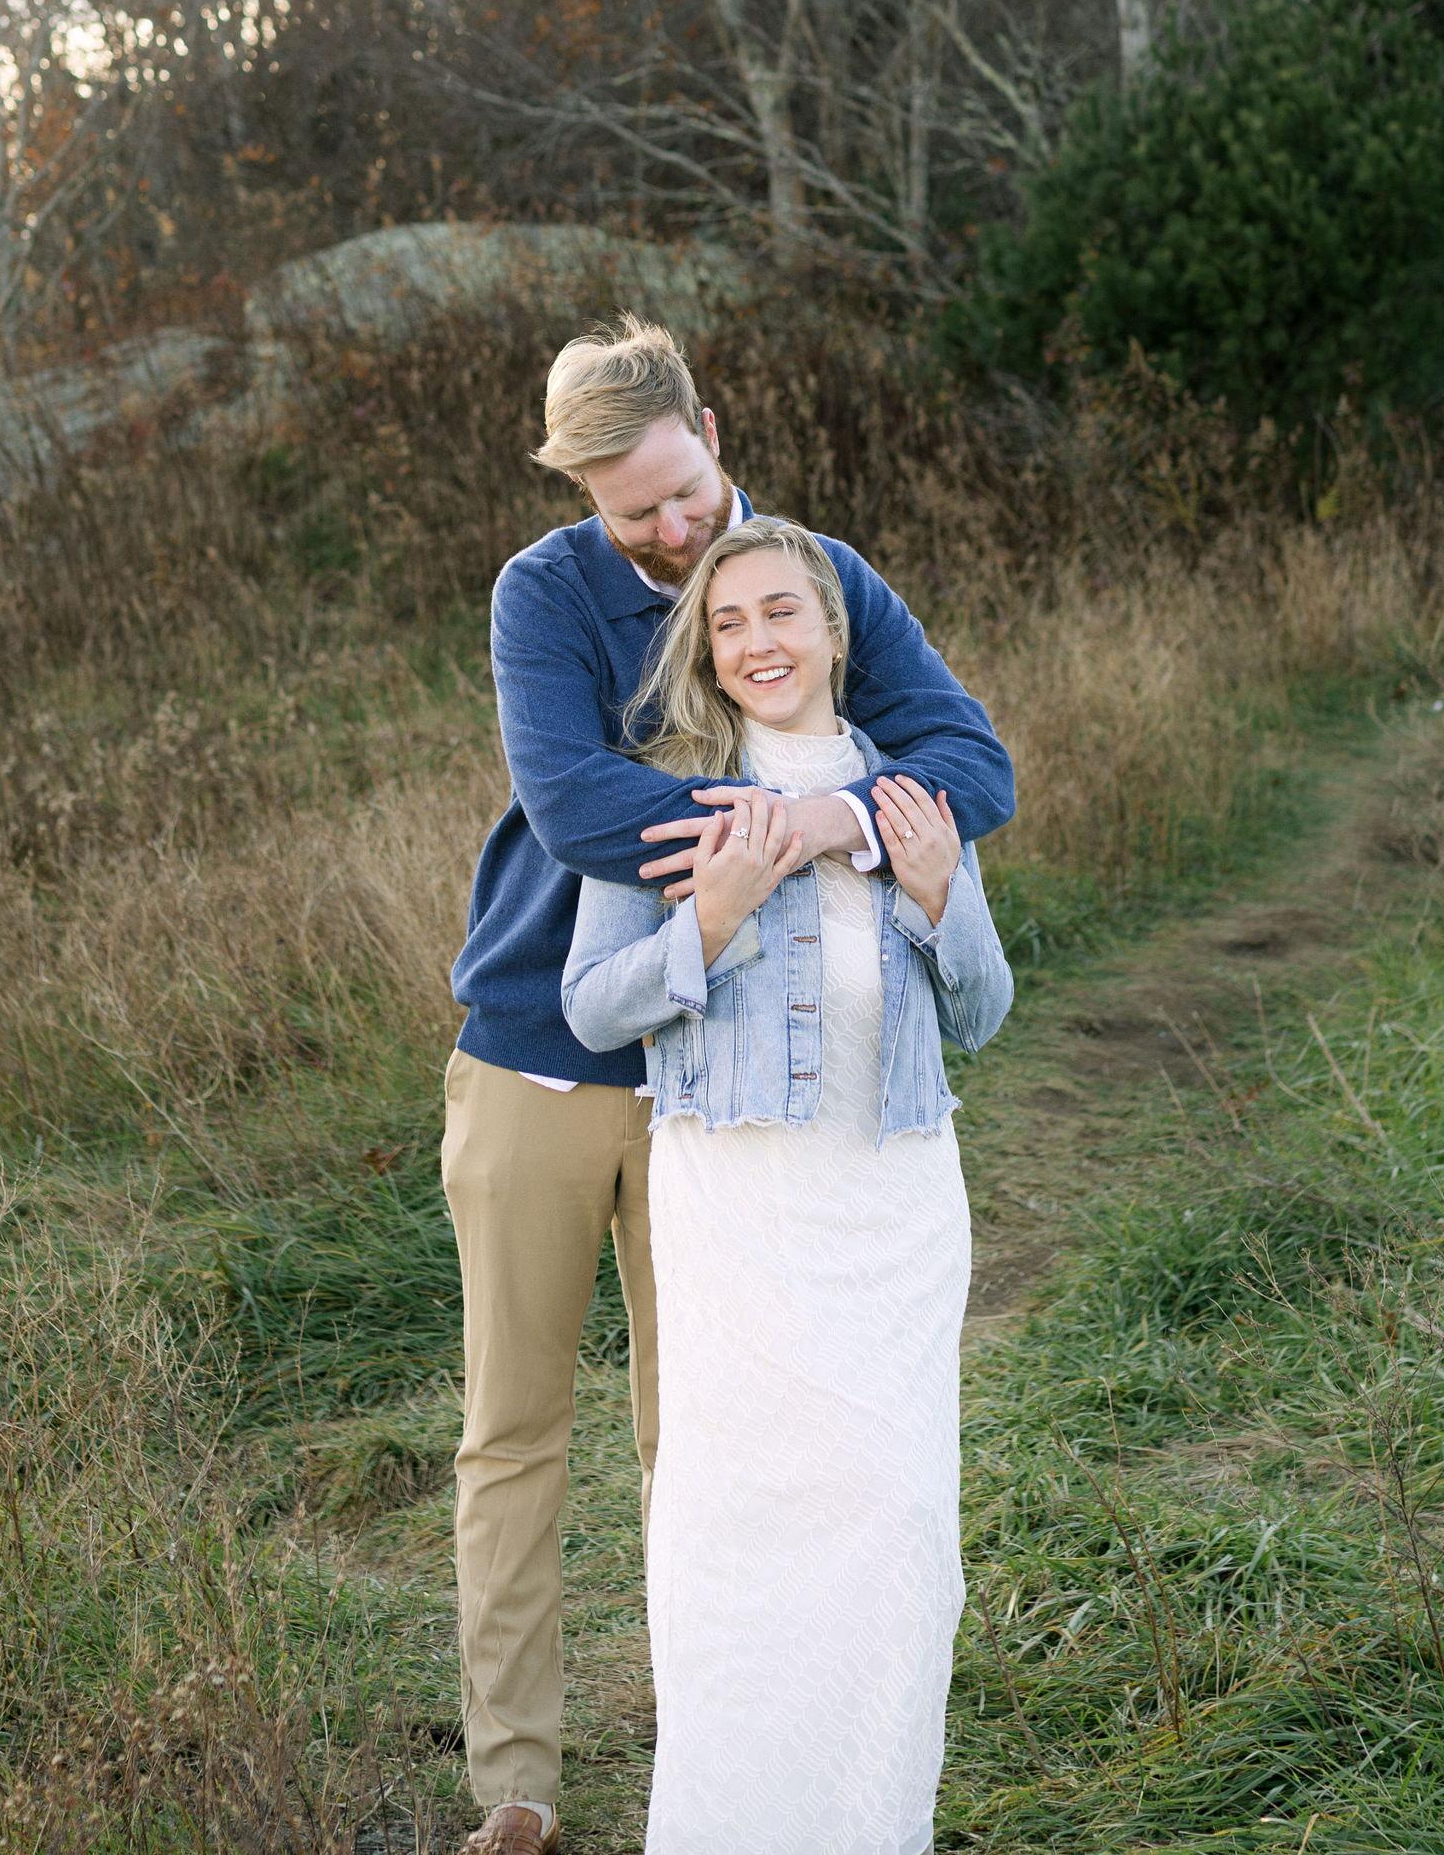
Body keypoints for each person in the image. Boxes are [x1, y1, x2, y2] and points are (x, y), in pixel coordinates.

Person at [442, 315, 1014, 1855]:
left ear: (713, 430)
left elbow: (973, 765)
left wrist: (833, 822)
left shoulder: (808, 579)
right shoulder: (545, 593)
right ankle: (520, 1780)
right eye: (635, 515)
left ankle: (716, 1753)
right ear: (586, 499)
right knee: (517, 1423)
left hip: (735, 1085)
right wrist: (767, 829)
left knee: (706, 1439)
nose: (675, 532)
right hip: (548, 1043)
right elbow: (576, 808)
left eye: (685, 493)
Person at [560, 516, 1013, 1855]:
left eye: (781, 614)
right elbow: (591, 1007)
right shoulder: (667, 798)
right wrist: (706, 920)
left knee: (894, 1533)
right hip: (739, 1215)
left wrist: (936, 897)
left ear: (832, 631)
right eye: (729, 623)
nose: (758, 643)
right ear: (706, 652)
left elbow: (984, 1010)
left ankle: (871, 1823)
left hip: (896, 1209)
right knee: (743, 1533)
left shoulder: (915, 792)